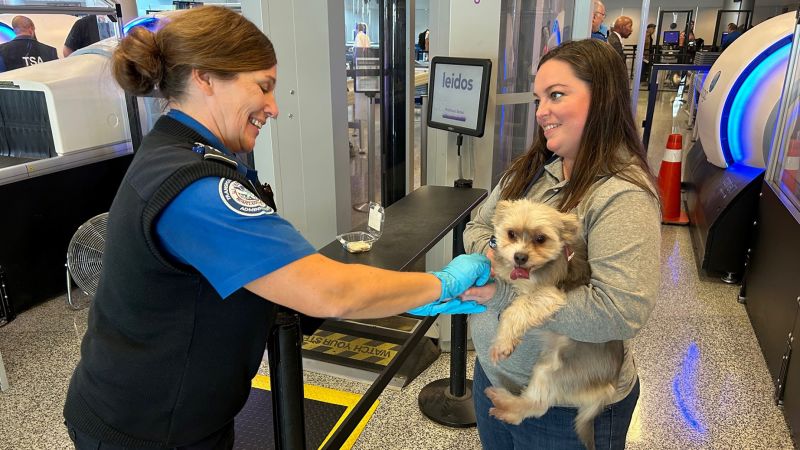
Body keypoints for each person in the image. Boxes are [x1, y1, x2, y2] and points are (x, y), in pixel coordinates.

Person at [62, 6, 491, 449]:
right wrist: (438, 286)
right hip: (147, 430)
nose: (273, 106)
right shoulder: (194, 189)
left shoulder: (179, 152)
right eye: (263, 86)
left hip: (170, 412)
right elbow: (329, 290)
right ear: (204, 77)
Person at [461, 39, 661, 449]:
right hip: (495, 376)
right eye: (538, 99)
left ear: (602, 99)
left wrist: (505, 293)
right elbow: (476, 227)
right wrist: (498, 255)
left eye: (556, 95)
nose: (541, 113)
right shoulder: (530, 171)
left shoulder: (621, 195)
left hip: (566, 407)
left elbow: (619, 312)